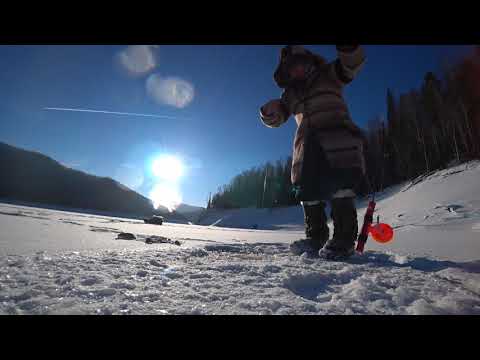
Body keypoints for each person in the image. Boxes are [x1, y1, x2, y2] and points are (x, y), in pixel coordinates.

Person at [259, 45, 367, 260]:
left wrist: (349, 49)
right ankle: (315, 237)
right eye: (292, 67)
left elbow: (351, 64)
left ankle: (344, 240)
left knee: (340, 186)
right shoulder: (290, 94)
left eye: (302, 64)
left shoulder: (328, 75)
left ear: (310, 63)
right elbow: (278, 118)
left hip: (338, 139)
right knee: (307, 190)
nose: (298, 70)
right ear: (286, 71)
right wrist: (268, 113)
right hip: (307, 145)